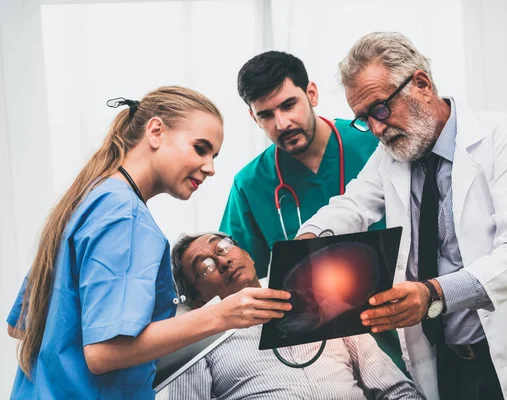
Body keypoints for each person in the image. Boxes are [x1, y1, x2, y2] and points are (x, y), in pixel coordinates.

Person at [296, 32, 507, 400]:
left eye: (381, 109)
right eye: (363, 120)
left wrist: (433, 293)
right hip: (445, 363)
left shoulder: (504, 136)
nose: (375, 129)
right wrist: (306, 243)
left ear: (421, 84)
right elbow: (353, 206)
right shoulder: (392, 154)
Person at [6, 86, 291, 399]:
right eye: (200, 148)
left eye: (214, 156)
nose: (210, 168)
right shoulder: (126, 219)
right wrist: (223, 315)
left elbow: (22, 327)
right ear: (155, 131)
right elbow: (103, 352)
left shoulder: (89, 202)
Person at [218, 51, 405, 372]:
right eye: (265, 115)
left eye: (289, 105)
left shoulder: (375, 141)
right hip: (321, 352)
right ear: (253, 118)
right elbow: (238, 282)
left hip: (403, 318)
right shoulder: (251, 185)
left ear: (312, 94)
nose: (281, 123)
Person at [168, 232, 424, 400]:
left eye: (223, 247)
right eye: (205, 267)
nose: (222, 261)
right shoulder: (198, 342)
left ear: (247, 255)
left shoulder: (324, 301)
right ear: (199, 301)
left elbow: (396, 390)